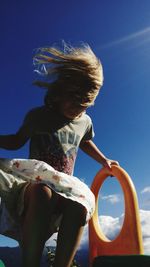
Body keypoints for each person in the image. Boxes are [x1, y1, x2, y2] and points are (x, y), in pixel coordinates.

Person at [0, 43, 119, 267]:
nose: (77, 109)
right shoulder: (38, 117)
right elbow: (16, 141)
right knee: (43, 192)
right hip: (33, 185)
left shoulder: (84, 122)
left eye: (84, 105)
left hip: (64, 189)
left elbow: (86, 141)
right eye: (74, 101)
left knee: (79, 204)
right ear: (59, 92)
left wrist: (104, 160)